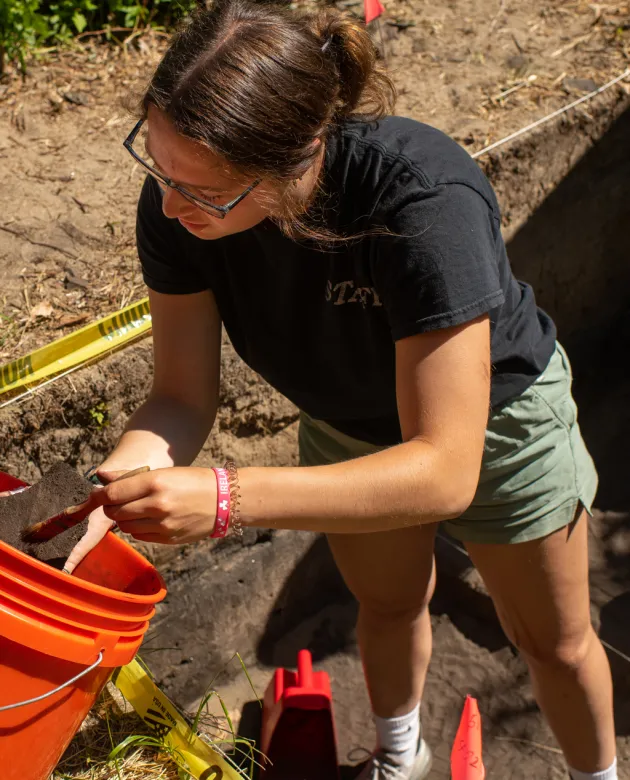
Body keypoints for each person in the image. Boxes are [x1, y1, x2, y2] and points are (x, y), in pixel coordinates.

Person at [61, 2, 616, 778]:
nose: (169, 206)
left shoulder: (421, 201)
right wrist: (115, 485)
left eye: (203, 191)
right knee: (387, 606)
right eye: (158, 167)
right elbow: (182, 397)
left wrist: (224, 497)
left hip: (494, 429)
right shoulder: (180, 202)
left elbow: (445, 469)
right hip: (349, 424)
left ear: (300, 157)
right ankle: (401, 755)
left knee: (553, 642)